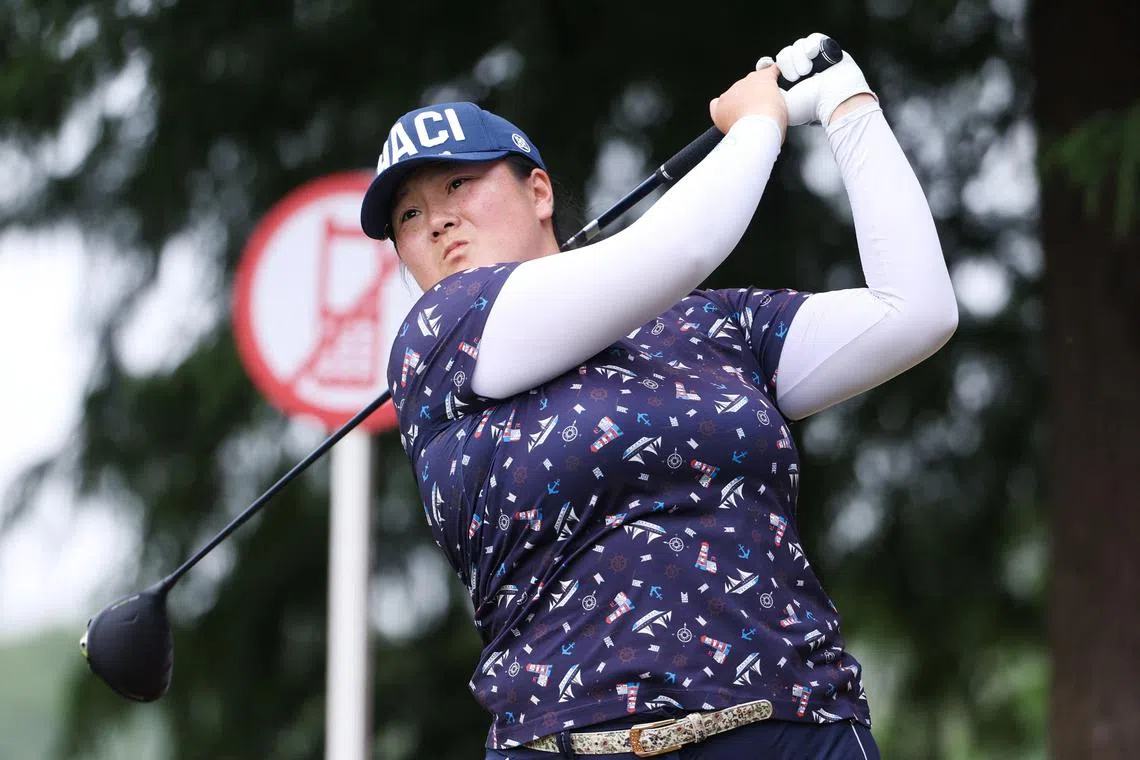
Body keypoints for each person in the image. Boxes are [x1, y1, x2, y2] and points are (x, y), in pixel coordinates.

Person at [360, 33, 957, 760]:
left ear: (539, 190)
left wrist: (848, 104)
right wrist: (759, 122)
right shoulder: (440, 337)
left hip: (797, 728)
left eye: (458, 185)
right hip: (571, 743)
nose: (438, 220)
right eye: (409, 217)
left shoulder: (712, 325)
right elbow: (680, 248)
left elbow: (915, 312)